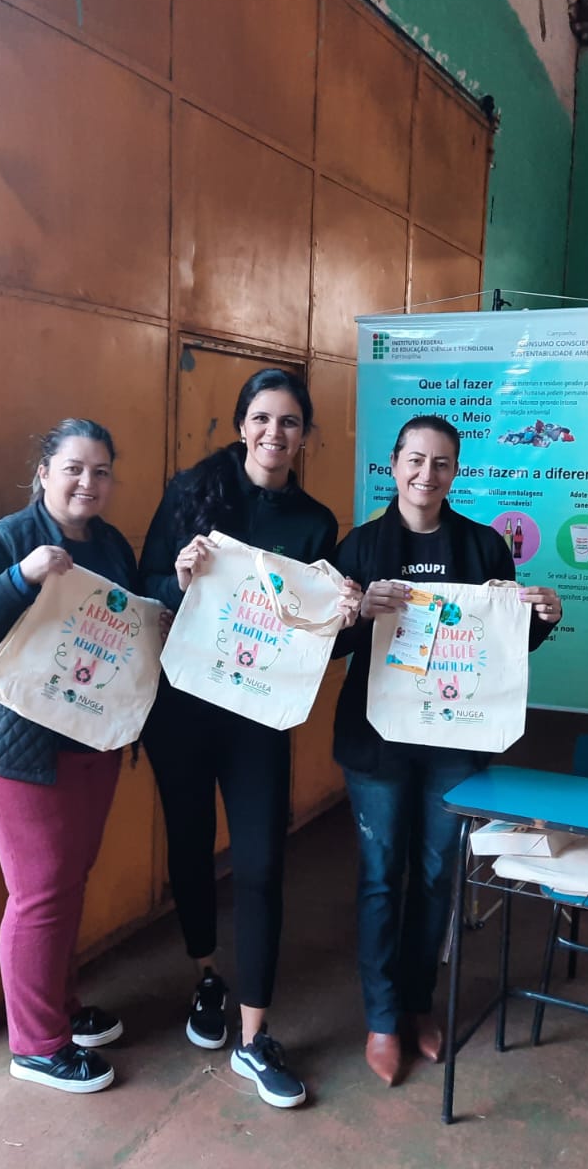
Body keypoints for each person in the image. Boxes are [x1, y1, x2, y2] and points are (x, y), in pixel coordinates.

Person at [139, 367, 360, 1109]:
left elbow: (315, 643)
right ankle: (207, 976)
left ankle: (255, 1037)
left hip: (258, 718)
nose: (274, 432)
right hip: (181, 707)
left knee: (262, 864)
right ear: (242, 425)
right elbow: (147, 590)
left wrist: (342, 620)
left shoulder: (314, 523)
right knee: (191, 845)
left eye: (289, 421)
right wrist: (177, 577)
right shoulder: (191, 494)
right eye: (262, 418)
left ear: (304, 435)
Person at [330, 415, 562, 1086]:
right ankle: (381, 1018)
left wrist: (541, 619)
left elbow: (502, 648)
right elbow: (329, 644)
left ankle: (417, 1004)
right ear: (394, 464)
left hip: (454, 742)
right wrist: (357, 614)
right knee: (381, 876)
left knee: (436, 875)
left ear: (455, 472)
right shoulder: (361, 547)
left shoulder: (484, 547)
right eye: (415, 460)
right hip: (377, 745)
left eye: (440, 463)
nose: (425, 474)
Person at [0, 418, 161, 1095]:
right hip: (15, 747)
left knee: (67, 883)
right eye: (73, 468)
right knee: (40, 891)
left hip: (87, 738)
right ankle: (36, 1046)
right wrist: (21, 576)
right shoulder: (5, 540)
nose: (88, 482)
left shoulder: (112, 544)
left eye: (101, 471)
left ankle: (59, 1008)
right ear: (43, 474)